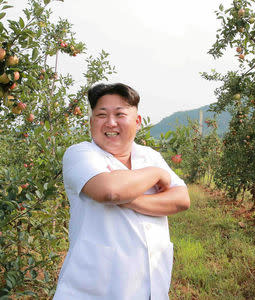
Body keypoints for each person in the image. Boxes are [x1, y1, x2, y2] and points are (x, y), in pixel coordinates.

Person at [53, 83, 190, 300]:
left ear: (137, 121)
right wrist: (155, 174)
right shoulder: (80, 154)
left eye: (120, 114)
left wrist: (130, 201)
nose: (111, 122)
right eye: (101, 115)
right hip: (92, 292)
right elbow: (110, 191)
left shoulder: (150, 156)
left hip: (152, 290)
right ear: (91, 122)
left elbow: (181, 200)